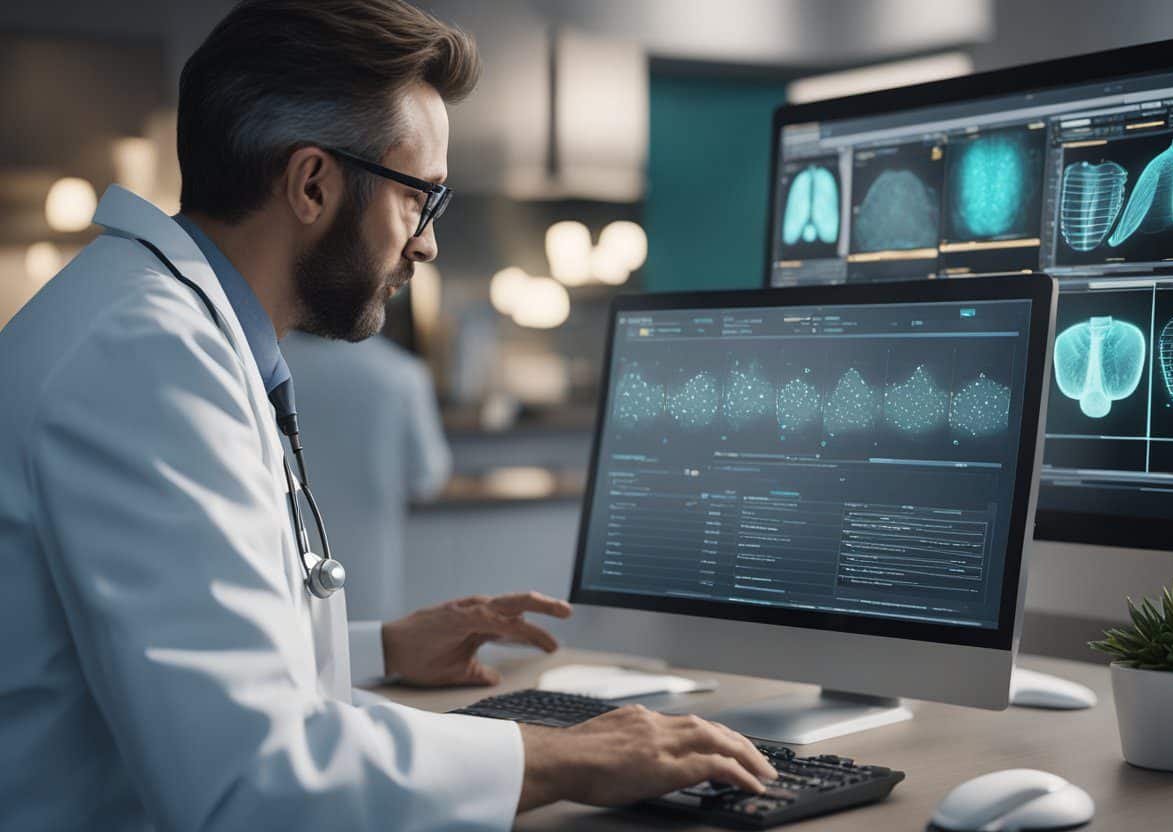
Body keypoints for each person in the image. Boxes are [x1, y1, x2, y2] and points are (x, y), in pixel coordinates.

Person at [0, 1, 776, 829]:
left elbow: (176, 668)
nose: (429, 243)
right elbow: (252, 779)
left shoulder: (155, 324)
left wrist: (377, 650)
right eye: (422, 200)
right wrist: (564, 755)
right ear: (312, 184)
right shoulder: (144, 357)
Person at [279, 330, 451, 623]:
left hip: (280, 575)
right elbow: (427, 477)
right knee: (369, 655)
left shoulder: (260, 367)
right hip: (368, 580)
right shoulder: (400, 373)